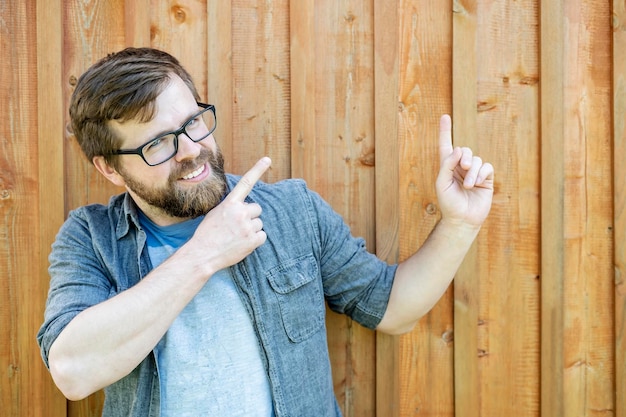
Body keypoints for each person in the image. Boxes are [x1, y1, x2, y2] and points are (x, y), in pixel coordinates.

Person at [37, 47, 494, 417]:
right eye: (158, 143)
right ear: (109, 168)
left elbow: (393, 310)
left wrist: (459, 222)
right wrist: (204, 254)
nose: (191, 151)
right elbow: (73, 372)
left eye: (193, 122)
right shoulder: (90, 238)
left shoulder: (292, 210)